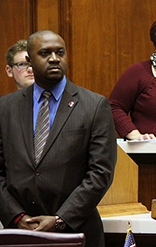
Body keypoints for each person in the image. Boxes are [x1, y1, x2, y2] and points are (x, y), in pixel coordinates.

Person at [0, 30, 117, 247]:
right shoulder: (5, 108)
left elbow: (101, 173)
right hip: (19, 232)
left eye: (60, 52)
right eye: (45, 53)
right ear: (29, 61)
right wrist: (17, 217)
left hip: (77, 231)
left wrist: (60, 220)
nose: (54, 58)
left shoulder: (94, 105)